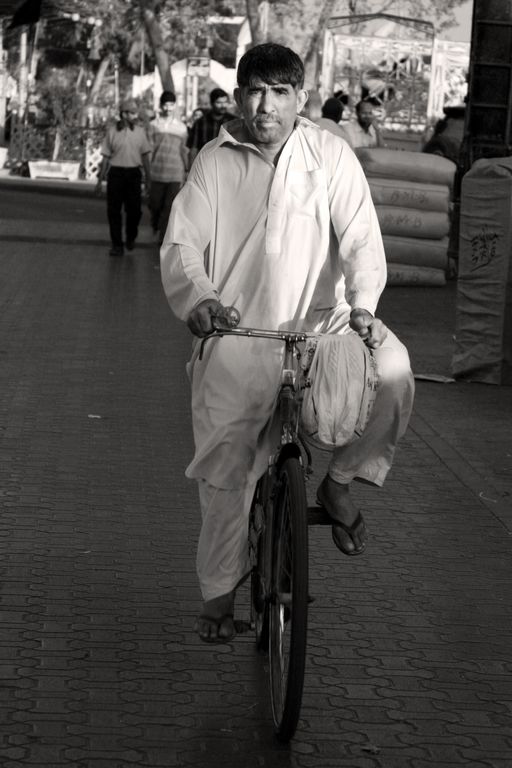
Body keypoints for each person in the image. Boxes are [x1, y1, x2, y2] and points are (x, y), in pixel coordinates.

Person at [160, 43, 414, 643]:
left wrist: (365, 311)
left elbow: (361, 241)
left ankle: (341, 482)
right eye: (254, 90)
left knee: (396, 370)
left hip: (324, 334)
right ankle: (219, 597)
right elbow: (181, 245)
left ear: (301, 97)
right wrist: (199, 300)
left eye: (279, 91)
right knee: (226, 475)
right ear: (239, 95)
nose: (265, 104)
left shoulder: (329, 155)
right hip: (236, 339)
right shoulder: (214, 162)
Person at [96, 98, 152, 257]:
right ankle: (117, 245)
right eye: (131, 113)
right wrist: (100, 181)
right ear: (123, 114)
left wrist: (148, 178)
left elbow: (146, 156)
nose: (135, 116)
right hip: (116, 174)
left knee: (134, 211)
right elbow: (105, 157)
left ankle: (131, 236)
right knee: (113, 211)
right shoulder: (112, 131)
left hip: (134, 174)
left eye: (135, 113)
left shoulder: (140, 132)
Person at [147, 91, 189, 244]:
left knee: (169, 206)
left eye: (171, 104)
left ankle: (162, 236)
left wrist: (186, 169)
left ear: (175, 106)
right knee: (155, 204)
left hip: (175, 172)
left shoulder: (182, 128)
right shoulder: (153, 125)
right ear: (161, 106)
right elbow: (149, 149)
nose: (168, 108)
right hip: (156, 171)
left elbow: (184, 149)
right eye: (166, 104)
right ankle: (155, 223)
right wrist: (146, 169)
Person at [186, 88, 235, 164]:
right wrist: (191, 169)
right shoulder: (200, 122)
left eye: (225, 102)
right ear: (212, 103)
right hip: (205, 165)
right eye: (219, 102)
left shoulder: (233, 122)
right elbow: (193, 148)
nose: (223, 106)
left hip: (228, 165)